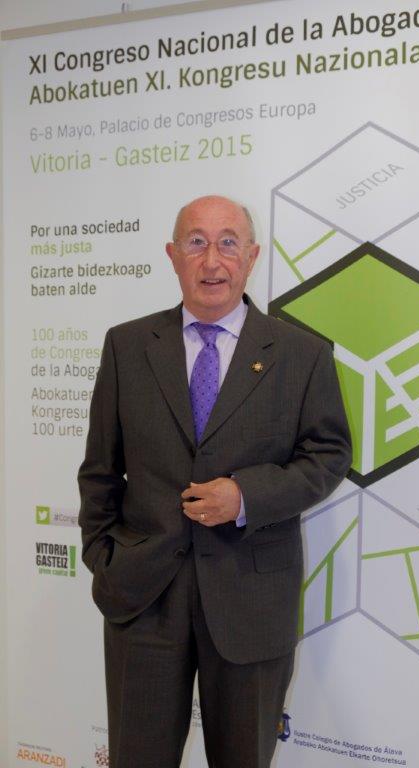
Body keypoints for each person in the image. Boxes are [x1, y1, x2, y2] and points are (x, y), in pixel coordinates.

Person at [78, 195, 352, 768]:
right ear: (172, 255)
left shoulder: (302, 354)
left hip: (252, 599)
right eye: (196, 242)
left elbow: (328, 457)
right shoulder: (127, 346)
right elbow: (100, 469)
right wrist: (103, 557)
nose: (212, 260)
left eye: (228, 243)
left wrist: (246, 495)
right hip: (144, 597)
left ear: (251, 256)